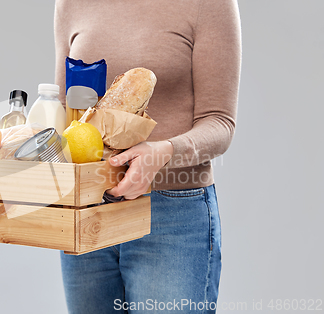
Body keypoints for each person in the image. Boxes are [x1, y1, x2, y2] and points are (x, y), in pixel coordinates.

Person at [54, 0, 241, 313]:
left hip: (171, 216)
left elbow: (220, 122)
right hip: (88, 211)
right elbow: (66, 113)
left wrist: (162, 153)